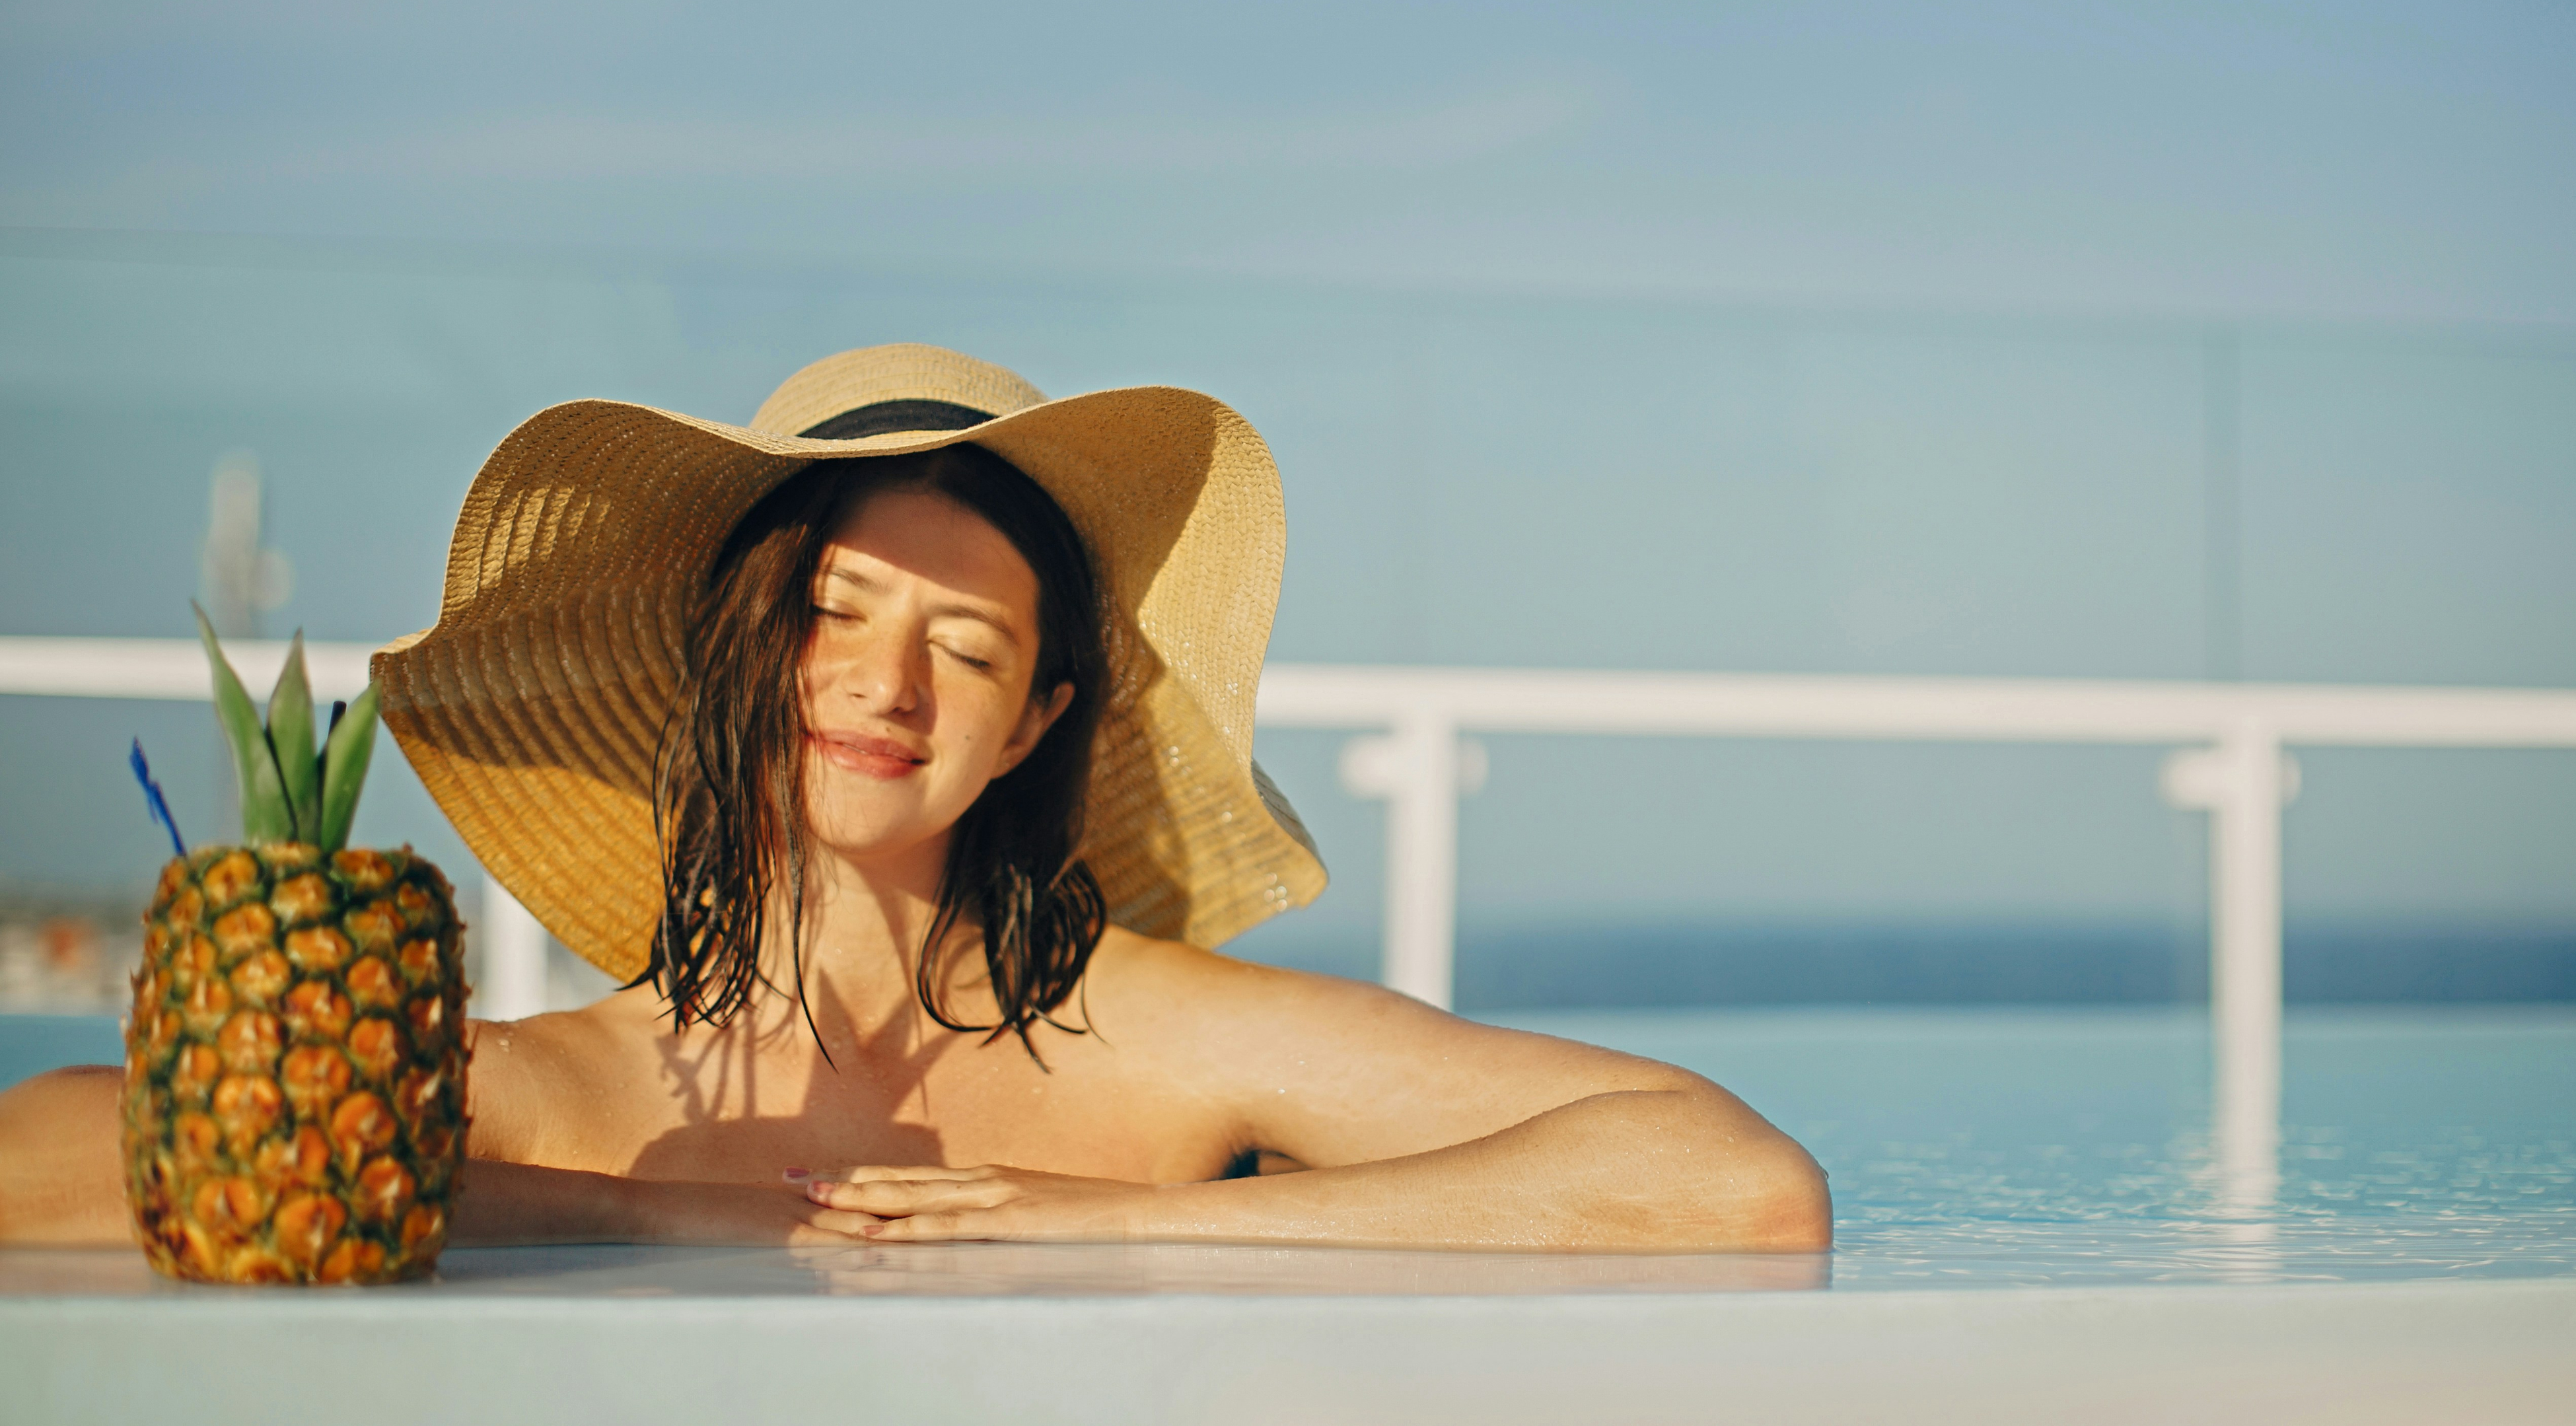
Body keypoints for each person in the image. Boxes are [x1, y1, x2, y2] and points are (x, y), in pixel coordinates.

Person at [0, 345, 1828, 1252]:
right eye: (832, 613)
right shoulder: (558, 1101)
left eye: (964, 648)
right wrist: (683, 1216)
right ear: (740, 652)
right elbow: (65, 1153)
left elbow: (1733, 1184)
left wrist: (1095, 1225)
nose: (885, 686)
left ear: (1033, 720)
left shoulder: (1149, 1034)